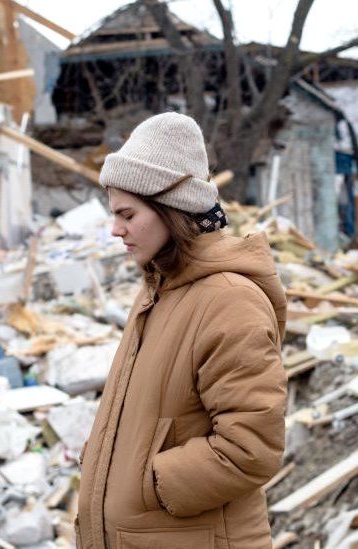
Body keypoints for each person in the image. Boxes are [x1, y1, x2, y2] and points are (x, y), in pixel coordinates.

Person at [76, 112, 287, 549]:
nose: (116, 229)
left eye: (127, 214)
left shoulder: (229, 300)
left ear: (170, 209)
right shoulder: (160, 290)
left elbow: (251, 447)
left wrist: (147, 483)